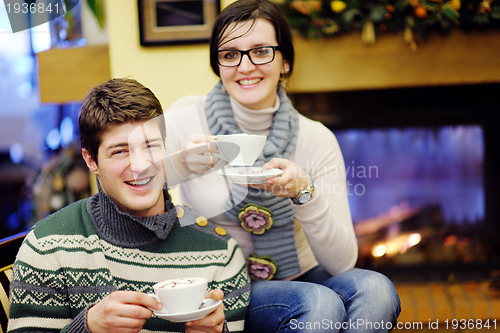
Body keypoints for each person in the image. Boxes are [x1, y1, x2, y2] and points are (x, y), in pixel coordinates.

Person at [164, 0, 401, 332]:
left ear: (285, 62)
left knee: (375, 290)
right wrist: (180, 165)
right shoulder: (190, 117)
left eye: (261, 51)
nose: (245, 66)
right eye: (230, 54)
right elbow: (131, 180)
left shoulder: (315, 138)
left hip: (301, 273)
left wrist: (304, 193)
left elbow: (343, 262)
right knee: (318, 304)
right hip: (222, 281)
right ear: (218, 64)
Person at [7, 78, 250, 333]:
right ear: (91, 160)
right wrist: (88, 327)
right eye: (120, 151)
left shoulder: (221, 254)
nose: (140, 164)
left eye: (150, 146)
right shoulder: (47, 247)